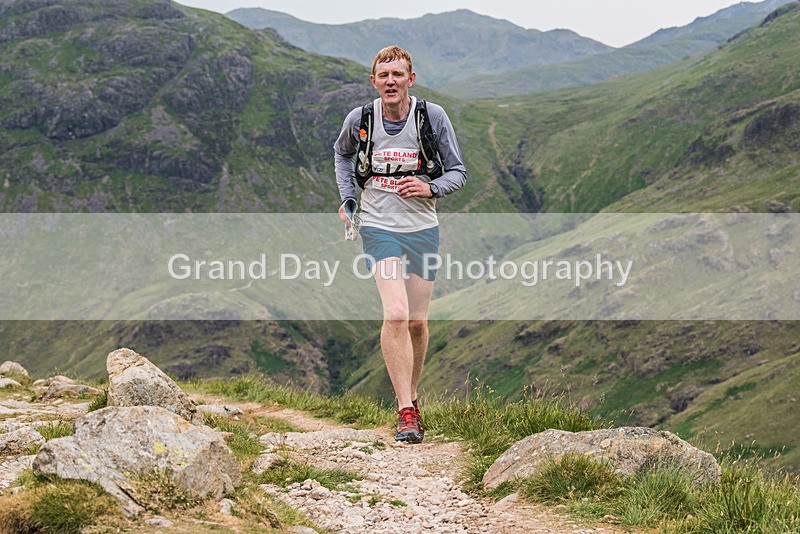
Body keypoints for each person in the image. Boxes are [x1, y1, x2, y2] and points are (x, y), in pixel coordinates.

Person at [333, 45, 468, 443]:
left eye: (398, 75)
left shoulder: (432, 117)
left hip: (423, 227)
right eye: (383, 75)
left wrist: (430, 187)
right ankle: (405, 410)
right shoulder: (360, 119)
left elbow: (458, 171)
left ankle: (413, 396)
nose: (390, 81)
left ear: (411, 79)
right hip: (378, 226)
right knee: (395, 314)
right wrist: (350, 199)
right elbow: (342, 156)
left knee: (416, 322)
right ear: (373, 81)